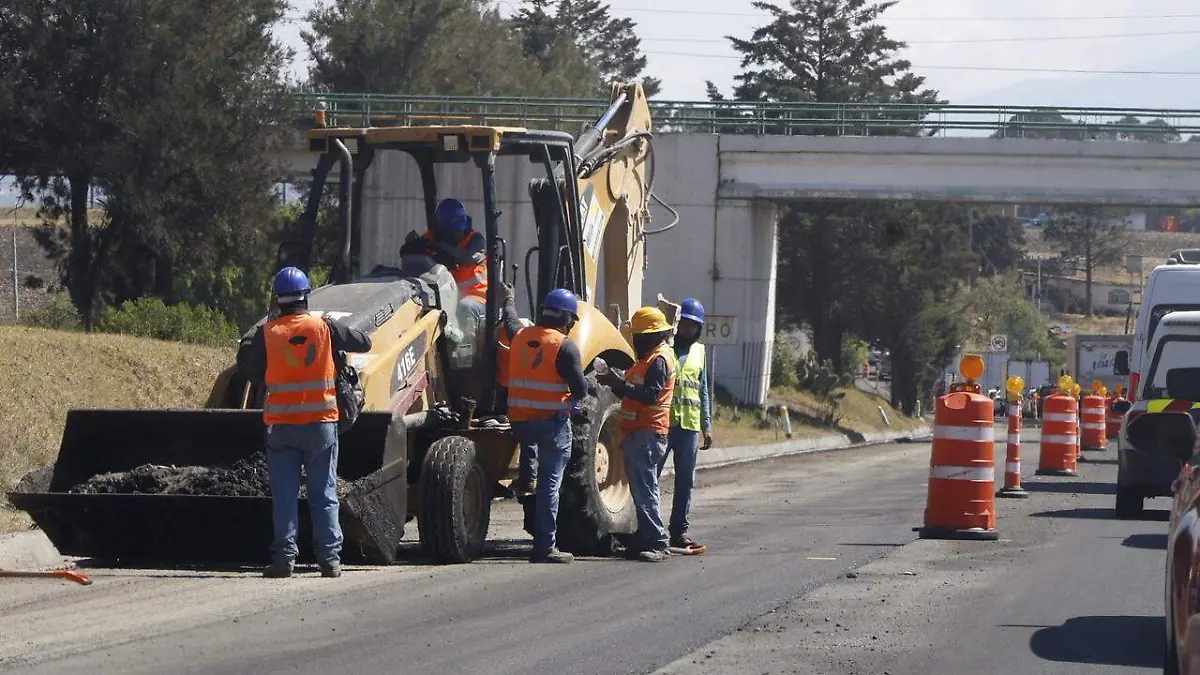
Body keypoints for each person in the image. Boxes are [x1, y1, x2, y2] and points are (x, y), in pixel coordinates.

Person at [236, 266, 372, 579]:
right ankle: (330, 560)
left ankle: (284, 560)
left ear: (278, 300)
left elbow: (251, 371)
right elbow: (364, 342)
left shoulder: (267, 333)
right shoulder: (323, 327)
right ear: (305, 296)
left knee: (284, 496)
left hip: (281, 428)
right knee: (323, 493)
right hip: (320, 425)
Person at [506, 289, 589, 564]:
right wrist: (574, 404)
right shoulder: (564, 346)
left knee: (533, 473)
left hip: (520, 423)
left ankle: (526, 477)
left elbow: (510, 321)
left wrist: (508, 300)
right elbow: (581, 388)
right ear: (567, 318)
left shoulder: (520, 337)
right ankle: (545, 546)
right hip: (551, 424)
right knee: (549, 485)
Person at [597, 307, 676, 563]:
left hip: (648, 432)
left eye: (639, 336)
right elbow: (632, 394)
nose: (635, 341)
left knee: (645, 491)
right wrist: (615, 382)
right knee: (643, 489)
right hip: (639, 432)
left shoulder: (659, 360)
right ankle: (645, 538)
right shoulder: (648, 360)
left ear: (652, 336)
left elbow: (650, 395)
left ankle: (657, 542)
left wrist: (620, 384)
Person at [657, 297, 712, 554]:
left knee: (685, 482)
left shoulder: (700, 352)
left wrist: (707, 427)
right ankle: (647, 528)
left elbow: (703, 392)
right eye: (686, 324)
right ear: (678, 325)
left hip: (689, 426)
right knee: (652, 476)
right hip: (664, 424)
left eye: (694, 326)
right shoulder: (665, 348)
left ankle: (678, 531)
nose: (689, 329)